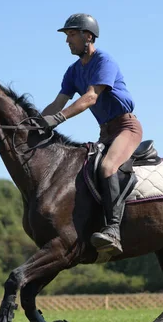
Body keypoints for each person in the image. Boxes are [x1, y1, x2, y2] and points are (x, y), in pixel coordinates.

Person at [41, 13, 143, 256]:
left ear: (88, 37)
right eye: (67, 36)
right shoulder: (72, 71)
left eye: (72, 35)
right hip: (105, 132)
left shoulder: (104, 61)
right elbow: (58, 103)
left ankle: (113, 231)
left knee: (108, 167)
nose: (68, 41)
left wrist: (58, 120)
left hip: (126, 128)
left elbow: (90, 97)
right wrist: (34, 123)